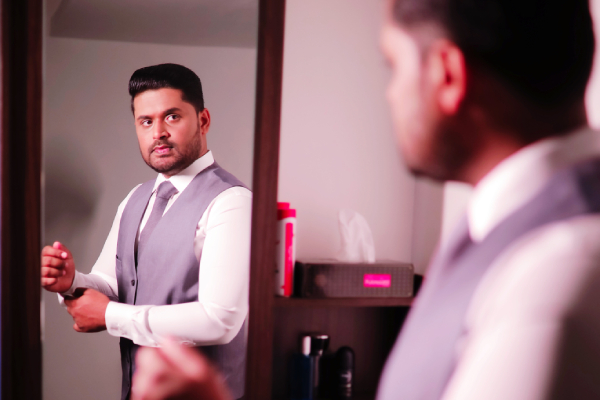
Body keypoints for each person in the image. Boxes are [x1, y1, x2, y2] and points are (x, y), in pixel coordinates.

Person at [130, 0, 600, 399]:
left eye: (393, 67)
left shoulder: (557, 269)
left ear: (447, 76)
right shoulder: (502, 226)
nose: (391, 95)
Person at [40, 63, 251, 400]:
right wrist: (72, 281)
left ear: (203, 120)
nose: (158, 133)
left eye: (172, 117)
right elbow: (114, 283)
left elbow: (219, 319)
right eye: (146, 121)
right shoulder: (134, 199)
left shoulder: (232, 202)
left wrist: (109, 315)